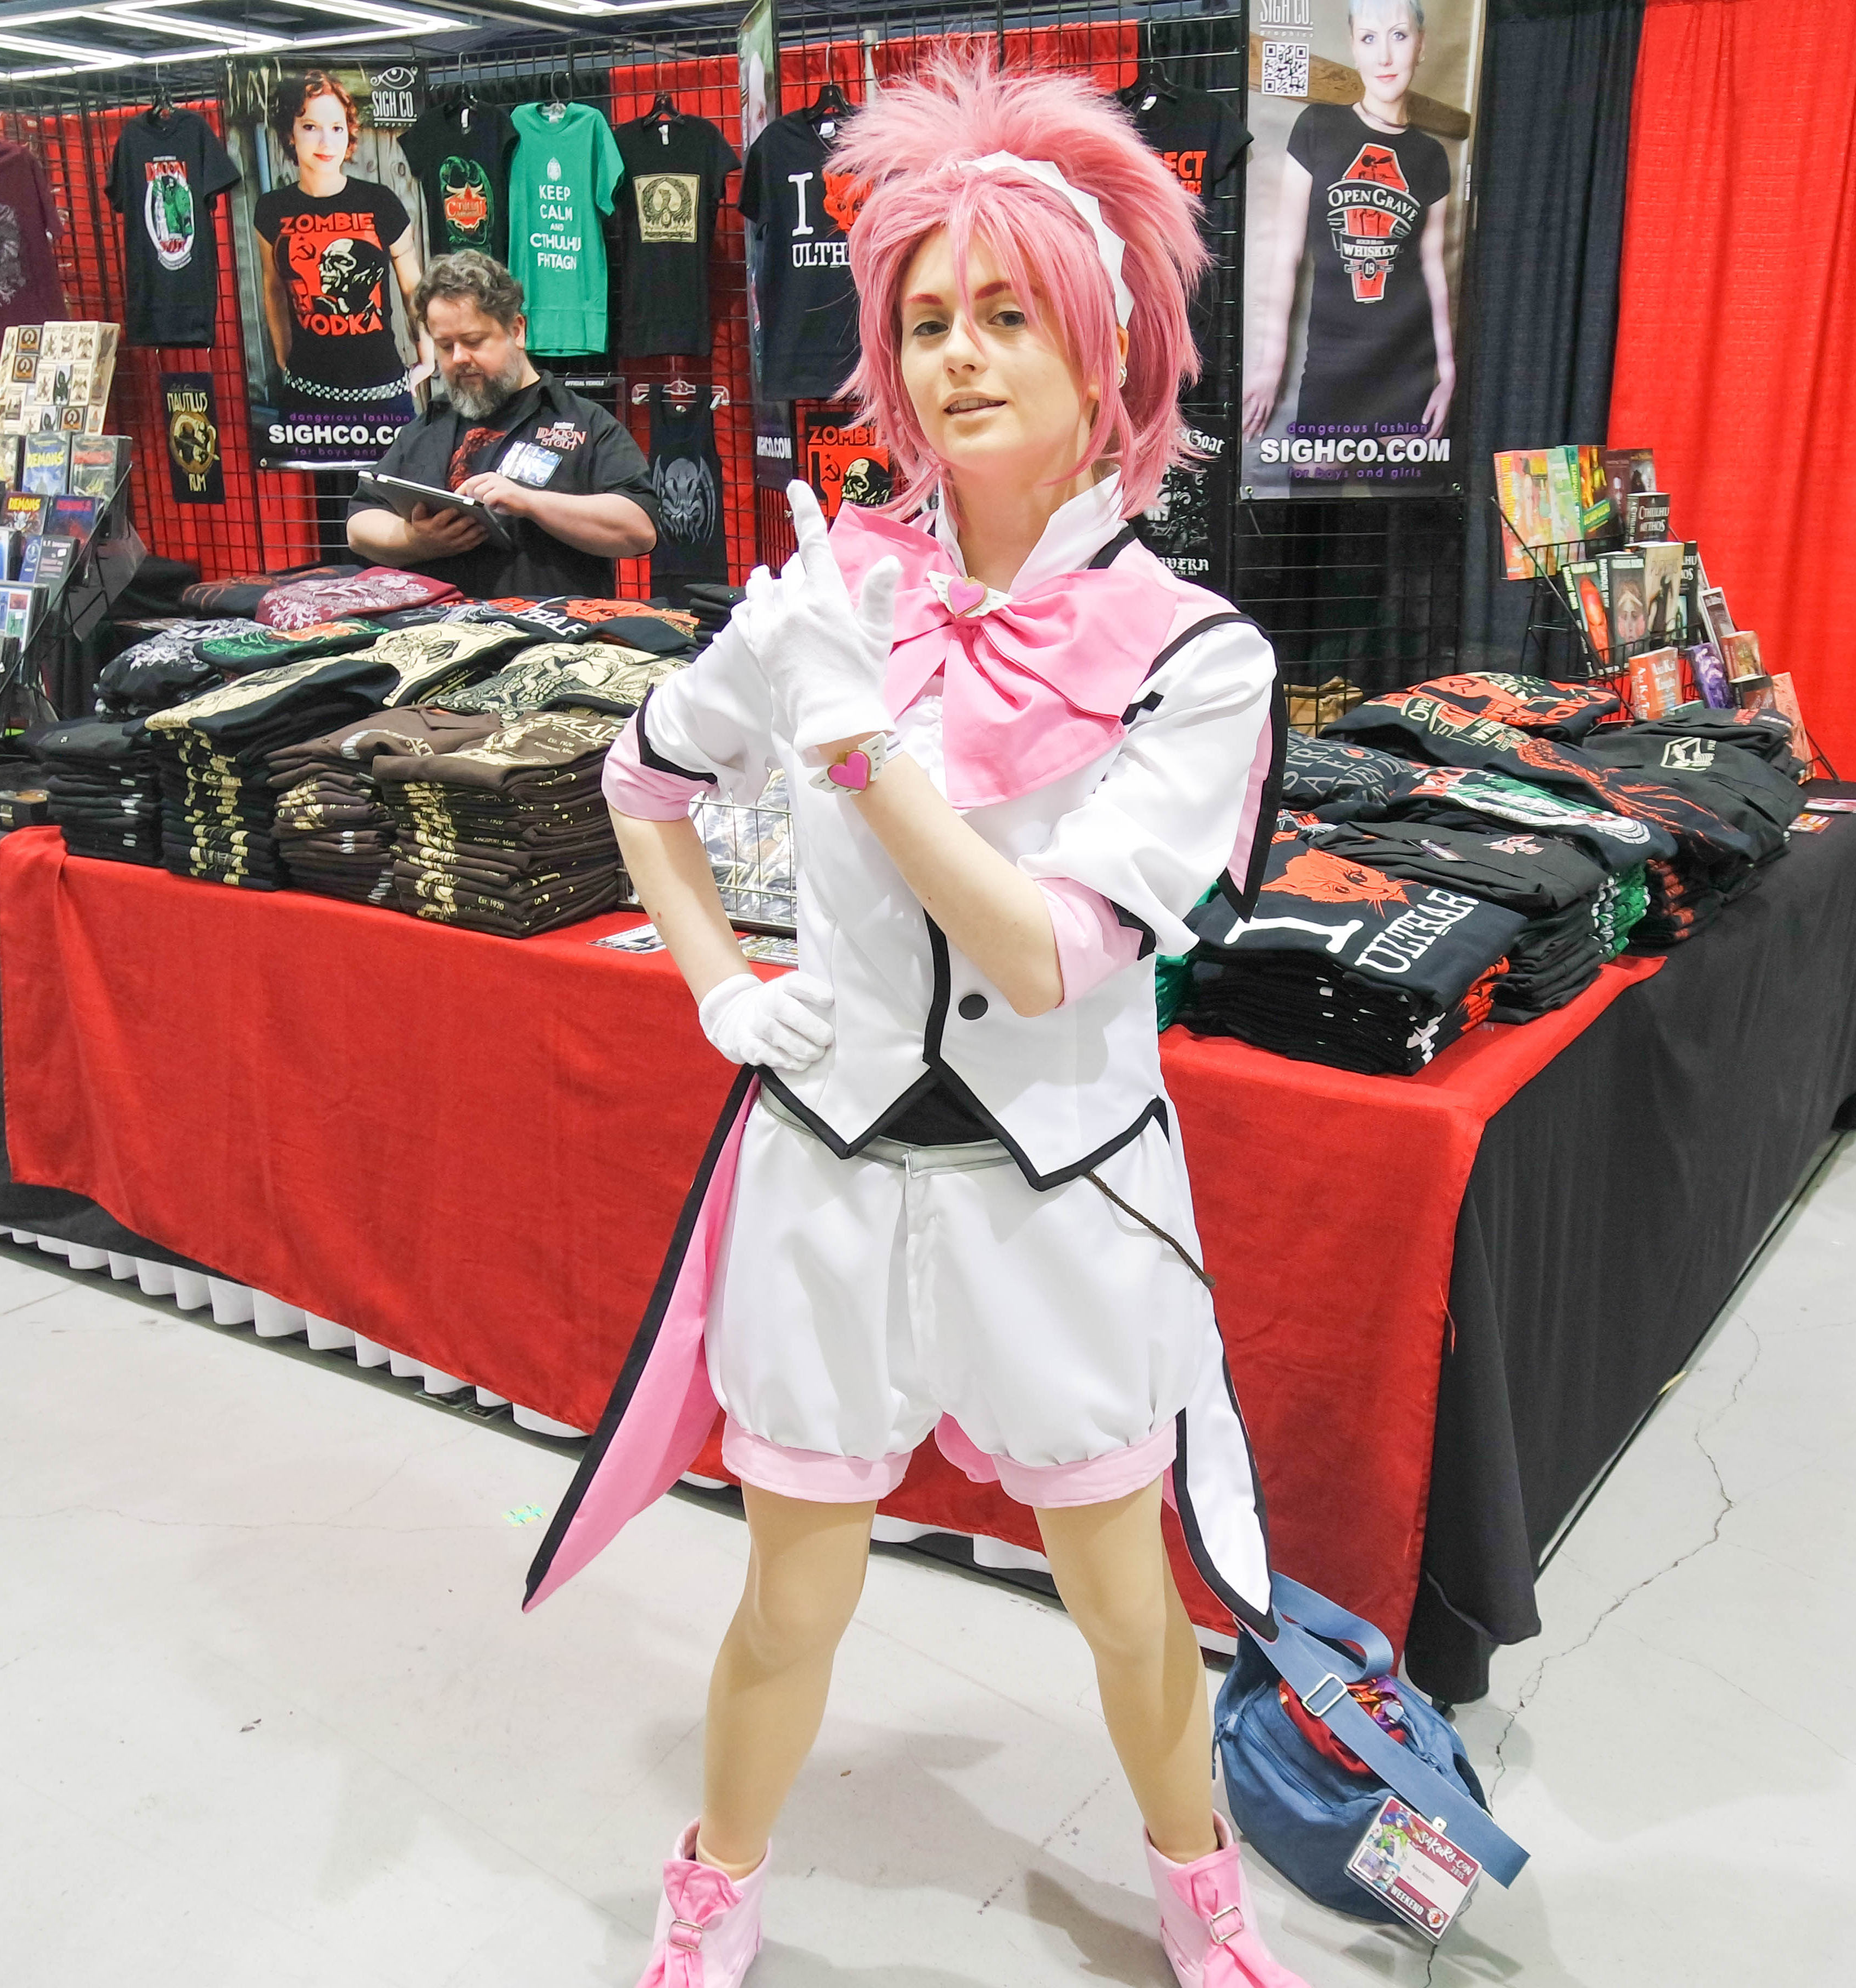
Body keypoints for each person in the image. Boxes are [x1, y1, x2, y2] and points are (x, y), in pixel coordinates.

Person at [523, 56, 1315, 1988]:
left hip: (1067, 1194)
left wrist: (858, 743)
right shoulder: (828, 594)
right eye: (930, 318)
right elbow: (641, 782)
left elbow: (1048, 955)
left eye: (1009, 315)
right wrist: (720, 981)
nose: (961, 357)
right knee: (793, 1595)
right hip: (832, 1177)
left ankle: (1201, 1897)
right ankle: (713, 1887)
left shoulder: (1195, 655)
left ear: (1107, 349)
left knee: (1123, 1600)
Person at [345, 251, 658, 597]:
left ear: (517, 330)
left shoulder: (583, 422)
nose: (459, 358)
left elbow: (639, 530)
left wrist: (531, 503)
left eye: (474, 341)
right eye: (445, 346)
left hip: (546, 628)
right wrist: (418, 541)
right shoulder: (428, 427)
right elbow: (359, 525)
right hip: (437, 627)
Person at [1241, 0, 1457, 450]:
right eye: (1369, 38)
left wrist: (1447, 370)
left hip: (1407, 360)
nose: (1385, 56)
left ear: (1420, 47)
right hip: (1331, 358)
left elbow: (1434, 269)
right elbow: (1287, 253)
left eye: (1399, 36)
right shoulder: (1317, 126)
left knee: (1398, 489)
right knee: (1312, 484)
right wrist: (1270, 365)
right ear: (1354, 48)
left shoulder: (1430, 156)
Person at [254, 71, 429, 450]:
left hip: (382, 389)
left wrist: (428, 357)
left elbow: (413, 286)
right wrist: (284, 358)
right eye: (310, 127)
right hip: (308, 392)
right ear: (290, 133)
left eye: (336, 128)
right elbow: (273, 287)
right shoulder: (272, 209)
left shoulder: (379, 202)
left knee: (396, 483)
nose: (325, 141)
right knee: (319, 487)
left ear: (349, 132)